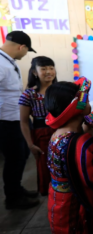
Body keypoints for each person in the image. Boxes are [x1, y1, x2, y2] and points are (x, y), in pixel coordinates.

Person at [45, 77, 93, 233]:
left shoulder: (57, 134)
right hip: (73, 203)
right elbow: (90, 180)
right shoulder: (78, 142)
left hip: (56, 198)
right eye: (86, 101)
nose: (88, 103)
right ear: (78, 106)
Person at [0, 31, 40, 209]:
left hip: (17, 118)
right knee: (15, 158)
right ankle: (13, 197)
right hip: (7, 120)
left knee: (22, 154)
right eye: (26, 51)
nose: (25, 54)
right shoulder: (1, 64)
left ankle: (16, 188)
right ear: (21, 47)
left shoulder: (8, 61)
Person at [19, 56, 57, 196]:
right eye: (44, 68)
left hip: (62, 132)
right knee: (45, 167)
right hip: (42, 135)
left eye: (51, 68)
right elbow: (23, 121)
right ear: (35, 72)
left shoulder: (60, 90)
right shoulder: (29, 94)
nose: (49, 72)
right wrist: (30, 144)